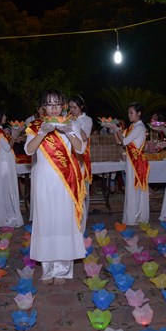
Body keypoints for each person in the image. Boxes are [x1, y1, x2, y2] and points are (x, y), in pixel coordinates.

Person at [25, 89, 86, 285]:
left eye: (57, 104)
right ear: (43, 107)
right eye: (49, 104)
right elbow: (29, 150)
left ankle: (63, 269)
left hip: (64, 181)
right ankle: (48, 268)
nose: (53, 108)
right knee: (46, 221)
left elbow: (81, 148)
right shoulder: (35, 126)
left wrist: (68, 131)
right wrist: (43, 132)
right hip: (43, 179)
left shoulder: (71, 123)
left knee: (63, 221)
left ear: (63, 106)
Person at [108, 102, 150, 226]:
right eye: (129, 113)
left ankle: (136, 217)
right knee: (131, 189)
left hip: (137, 162)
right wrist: (114, 130)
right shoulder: (132, 126)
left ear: (139, 113)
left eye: (131, 113)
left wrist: (117, 129)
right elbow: (119, 141)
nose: (129, 115)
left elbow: (125, 141)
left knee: (135, 189)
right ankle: (132, 216)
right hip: (132, 161)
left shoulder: (139, 127)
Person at [0, 106, 24, 228]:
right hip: (4, 164)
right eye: (3, 115)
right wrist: (14, 135)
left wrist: (15, 136)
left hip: (4, 162)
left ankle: (8, 216)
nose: (5, 117)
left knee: (6, 189)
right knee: (7, 189)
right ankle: (9, 217)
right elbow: (8, 147)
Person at [68, 95, 93, 230]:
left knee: (82, 190)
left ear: (81, 107)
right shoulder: (68, 119)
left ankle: (81, 223)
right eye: (70, 107)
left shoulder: (87, 120)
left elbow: (84, 137)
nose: (72, 110)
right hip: (69, 158)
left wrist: (74, 123)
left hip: (81, 158)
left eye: (74, 107)